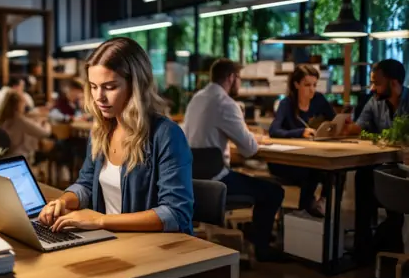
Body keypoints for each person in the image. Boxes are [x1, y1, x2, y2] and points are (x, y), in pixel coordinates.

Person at [37, 37, 194, 234]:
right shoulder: (102, 129)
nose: (99, 97)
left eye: (110, 87)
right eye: (93, 86)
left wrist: (102, 221)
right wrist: (62, 201)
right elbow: (86, 184)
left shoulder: (166, 135)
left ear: (136, 85)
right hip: (110, 239)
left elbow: (175, 213)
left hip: (152, 249)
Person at [183, 58, 285, 262]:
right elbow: (249, 150)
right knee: (274, 191)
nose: (240, 83)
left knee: (259, 184)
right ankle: (262, 249)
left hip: (192, 179)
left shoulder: (197, 98)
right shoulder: (226, 103)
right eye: (239, 78)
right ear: (231, 78)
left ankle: (253, 232)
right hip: (218, 180)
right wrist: (254, 137)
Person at [343, 59, 409, 261]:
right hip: (383, 166)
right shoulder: (375, 101)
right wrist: (347, 126)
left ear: (395, 84)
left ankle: (385, 244)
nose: (373, 88)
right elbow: (359, 126)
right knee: (363, 177)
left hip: (404, 170)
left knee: (390, 186)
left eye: (377, 83)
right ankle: (364, 249)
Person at [268, 65, 336, 217]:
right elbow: (274, 131)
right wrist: (301, 132)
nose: (312, 90)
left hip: (311, 156)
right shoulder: (287, 103)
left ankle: (320, 204)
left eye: (314, 85)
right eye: (307, 85)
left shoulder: (319, 100)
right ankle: (305, 210)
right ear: (296, 84)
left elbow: (334, 122)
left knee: (334, 172)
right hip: (286, 161)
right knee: (313, 171)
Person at [0, 90, 51, 159]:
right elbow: (45, 133)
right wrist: (46, 123)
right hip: (18, 156)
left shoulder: (3, 117)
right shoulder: (19, 120)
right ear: (18, 104)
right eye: (23, 103)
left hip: (4, 156)